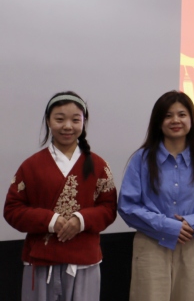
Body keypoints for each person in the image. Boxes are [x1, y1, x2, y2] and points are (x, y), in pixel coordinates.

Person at [4, 91, 117, 301]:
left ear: (84, 122)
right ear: (48, 121)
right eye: (59, 119)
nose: (67, 126)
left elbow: (109, 208)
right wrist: (50, 220)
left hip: (84, 261)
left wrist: (81, 220)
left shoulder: (99, 165)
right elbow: (12, 210)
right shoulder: (31, 166)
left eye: (75, 120)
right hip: (40, 260)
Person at [118, 91, 194, 301]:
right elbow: (128, 206)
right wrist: (169, 226)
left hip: (190, 244)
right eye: (168, 115)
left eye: (182, 114)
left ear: (191, 120)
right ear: (158, 121)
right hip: (151, 244)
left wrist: (192, 222)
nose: (175, 120)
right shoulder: (141, 160)